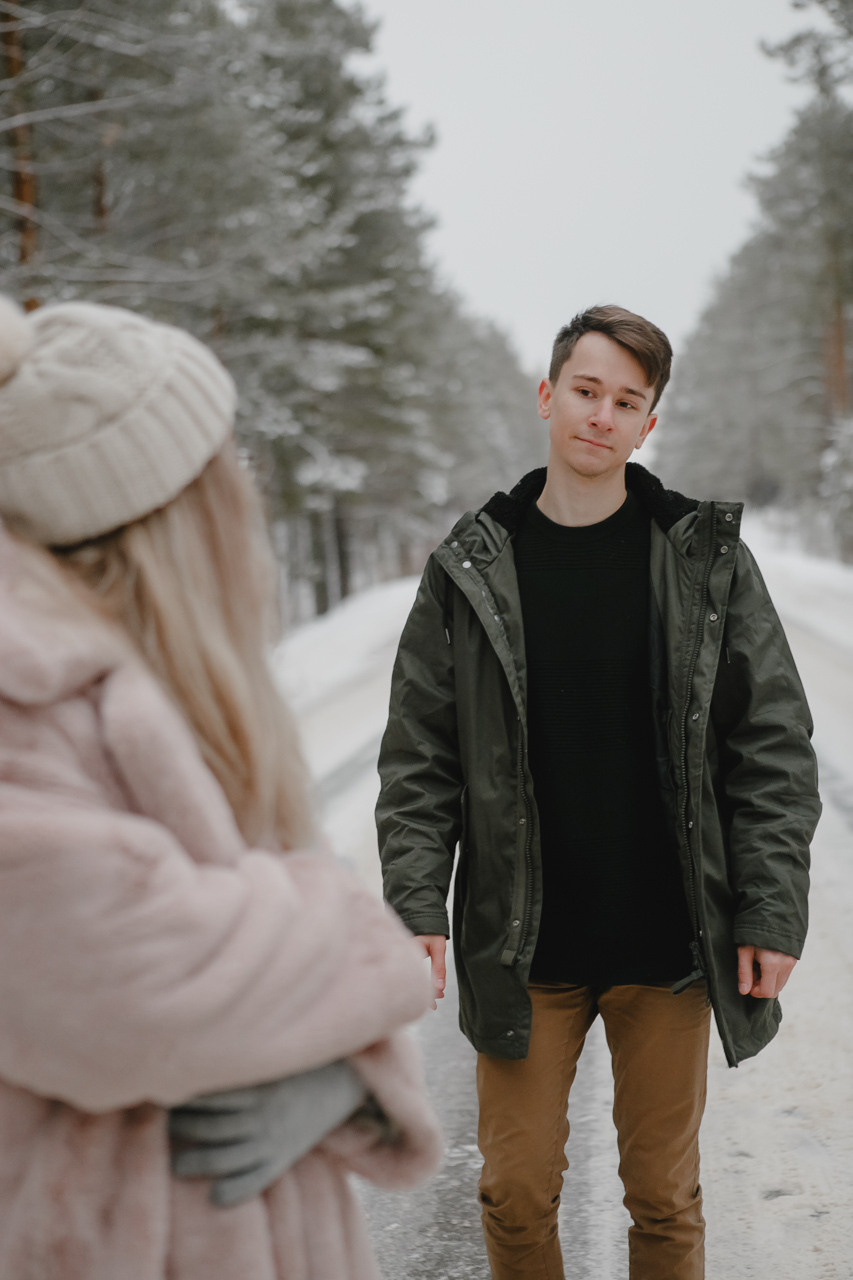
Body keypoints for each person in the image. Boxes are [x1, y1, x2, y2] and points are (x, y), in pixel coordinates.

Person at [0, 294, 441, 1280]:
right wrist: (353, 927)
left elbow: (248, 975)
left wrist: (344, 1071)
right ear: (163, 501)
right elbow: (136, 979)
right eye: (221, 461)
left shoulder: (160, 686)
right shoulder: (18, 689)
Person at [376, 303, 820, 1280]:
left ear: (647, 421)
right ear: (547, 394)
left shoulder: (703, 562)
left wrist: (770, 905)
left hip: (668, 941)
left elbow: (773, 746)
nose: (601, 415)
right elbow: (419, 758)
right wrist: (416, 900)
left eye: (627, 400)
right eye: (586, 390)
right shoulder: (470, 567)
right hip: (523, 940)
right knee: (514, 1189)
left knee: (664, 1196)